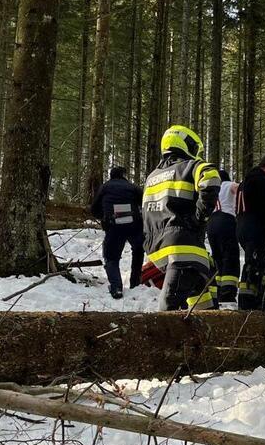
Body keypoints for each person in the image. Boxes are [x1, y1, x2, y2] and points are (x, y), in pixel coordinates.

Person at [142, 125, 222, 311]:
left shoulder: (152, 177)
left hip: (160, 251)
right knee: (171, 310)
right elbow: (210, 176)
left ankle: (210, 333)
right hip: (183, 249)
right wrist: (199, 217)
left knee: (195, 304)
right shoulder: (191, 166)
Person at [236, 154, 265, 310]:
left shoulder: (245, 182)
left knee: (264, 264)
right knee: (255, 264)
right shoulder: (261, 180)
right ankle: (249, 303)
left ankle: (258, 299)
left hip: (242, 227)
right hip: (254, 228)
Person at [90, 165, 144, 299]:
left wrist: (104, 217)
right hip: (134, 225)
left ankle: (116, 287)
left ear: (111, 175)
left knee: (111, 257)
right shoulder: (133, 187)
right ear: (124, 175)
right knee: (138, 251)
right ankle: (135, 283)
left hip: (114, 226)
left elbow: (94, 209)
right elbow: (144, 203)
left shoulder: (104, 187)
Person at [206, 170, 240, 303]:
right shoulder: (227, 184)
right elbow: (237, 188)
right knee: (230, 256)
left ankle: (217, 291)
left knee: (217, 257)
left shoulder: (213, 190)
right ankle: (228, 293)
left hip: (211, 223)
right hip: (226, 220)